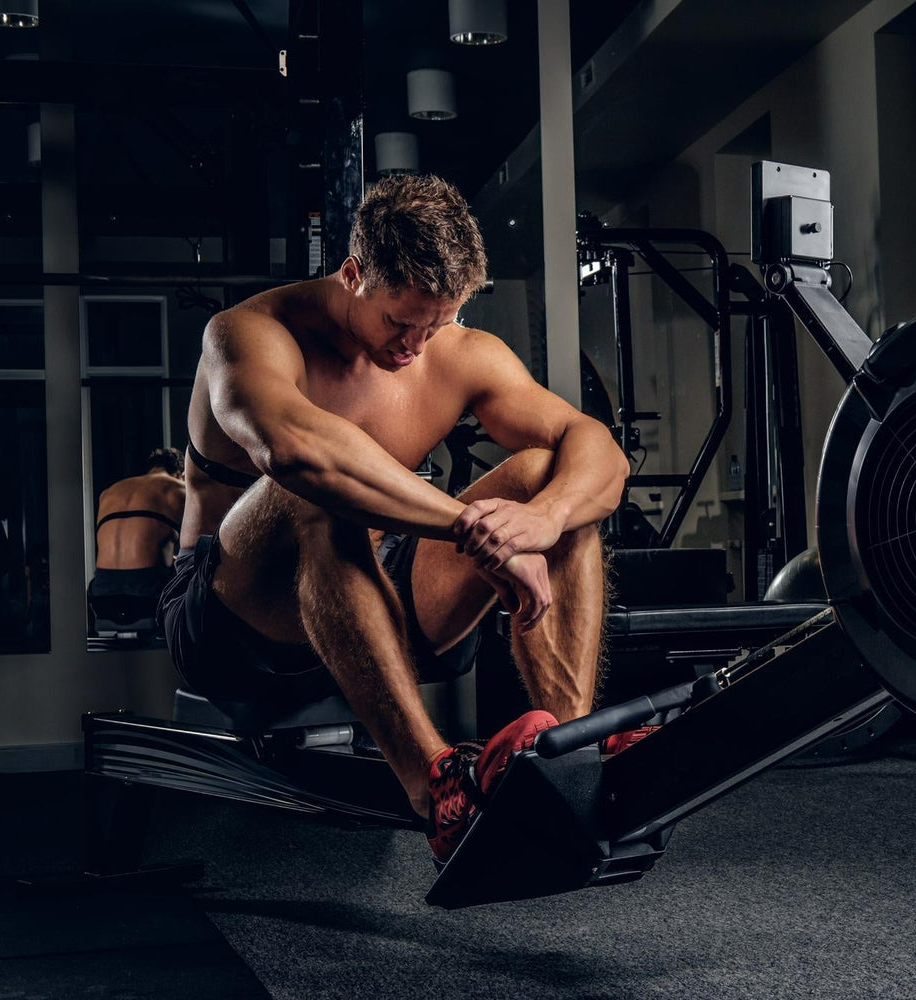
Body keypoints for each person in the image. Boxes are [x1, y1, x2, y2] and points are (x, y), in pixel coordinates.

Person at [157, 174, 631, 867]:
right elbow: (296, 452)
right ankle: (436, 788)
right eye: (399, 322)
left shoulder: (457, 353)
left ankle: (569, 754)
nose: (414, 345)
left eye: (435, 324)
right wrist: (479, 532)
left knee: (542, 473)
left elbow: (601, 454)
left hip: (371, 603)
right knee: (314, 487)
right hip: (233, 628)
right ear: (353, 275)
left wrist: (544, 519)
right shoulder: (249, 335)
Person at [90, 447, 186, 632]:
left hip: (102, 598)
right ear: (179, 473)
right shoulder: (178, 488)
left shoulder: (110, 492)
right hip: (147, 597)